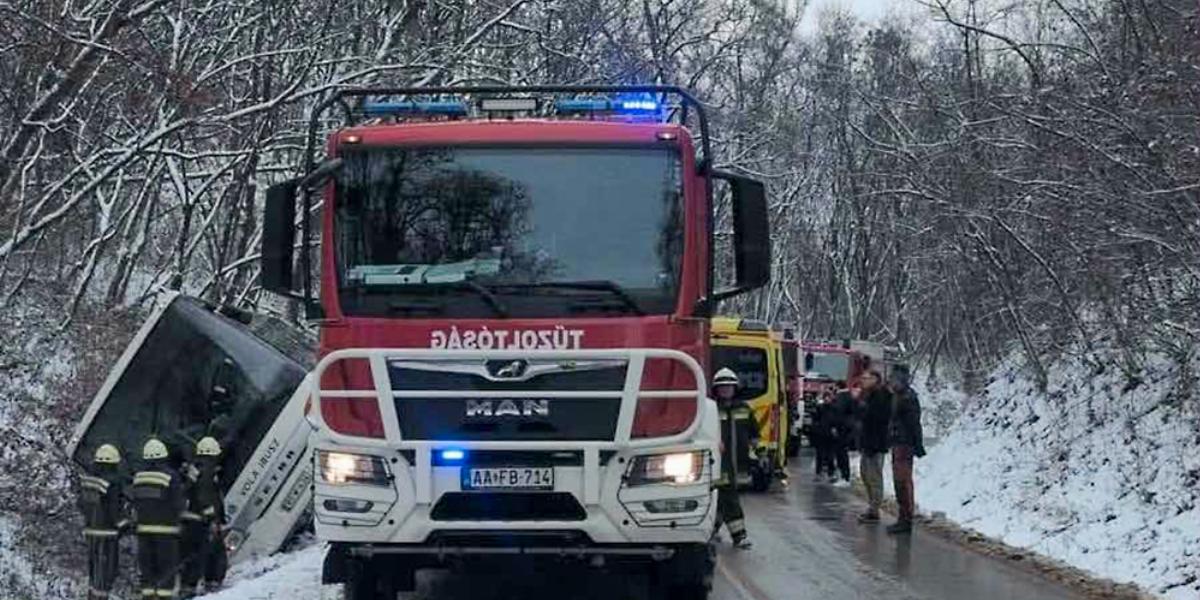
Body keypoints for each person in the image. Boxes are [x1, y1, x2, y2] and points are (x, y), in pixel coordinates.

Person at [131, 437, 186, 599]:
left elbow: (135, 502)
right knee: (166, 568)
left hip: (143, 531)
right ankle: (164, 597)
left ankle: (148, 596)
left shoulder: (138, 478)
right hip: (166, 531)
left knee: (147, 568)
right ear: (164, 456)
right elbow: (178, 504)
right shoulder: (171, 476)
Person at [712, 367, 759, 549]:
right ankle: (739, 536)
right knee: (729, 497)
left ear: (735, 388)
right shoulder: (711, 409)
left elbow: (755, 434)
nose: (726, 390)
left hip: (739, 463)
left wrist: (761, 454)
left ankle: (712, 530)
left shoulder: (744, 409)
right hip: (719, 464)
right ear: (716, 389)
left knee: (724, 499)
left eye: (729, 387)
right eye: (722, 387)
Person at [78, 444, 130, 600]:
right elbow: (115, 511)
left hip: (90, 532)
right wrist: (126, 525)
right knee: (106, 573)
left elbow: (80, 504)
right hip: (107, 534)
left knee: (95, 574)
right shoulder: (112, 482)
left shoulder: (89, 481)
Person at [180, 436, 228, 598]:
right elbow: (205, 496)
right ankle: (210, 584)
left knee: (195, 554)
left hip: (192, 521)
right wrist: (213, 519)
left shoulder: (196, 469)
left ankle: (188, 586)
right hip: (203, 522)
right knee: (213, 553)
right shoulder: (207, 470)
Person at [887, 365, 926, 534]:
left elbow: (914, 424)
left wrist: (917, 445)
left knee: (903, 482)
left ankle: (906, 518)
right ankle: (903, 517)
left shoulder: (908, 398)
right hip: (899, 442)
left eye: (895, 379)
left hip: (905, 444)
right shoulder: (899, 396)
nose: (892, 383)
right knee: (899, 482)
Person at [856, 370, 892, 523]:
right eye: (862, 378)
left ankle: (874, 509)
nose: (863, 381)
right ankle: (872, 505)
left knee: (874, 476)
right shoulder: (867, 395)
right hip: (868, 442)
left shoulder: (882, 396)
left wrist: (863, 408)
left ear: (875, 379)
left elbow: (877, 419)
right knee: (865, 474)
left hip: (876, 443)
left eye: (866, 378)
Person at [829, 381, 855, 485]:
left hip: (842, 429)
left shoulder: (842, 397)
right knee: (840, 453)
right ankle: (843, 475)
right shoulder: (847, 396)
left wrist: (835, 426)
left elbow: (838, 413)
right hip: (845, 428)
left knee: (841, 453)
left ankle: (845, 476)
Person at [811, 390, 836, 481]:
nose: (827, 399)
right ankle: (818, 473)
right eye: (825, 397)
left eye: (828, 397)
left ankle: (831, 473)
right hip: (821, 435)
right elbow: (815, 420)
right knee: (820, 455)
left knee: (830, 456)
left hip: (830, 436)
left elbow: (837, 421)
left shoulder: (834, 409)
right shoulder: (820, 408)